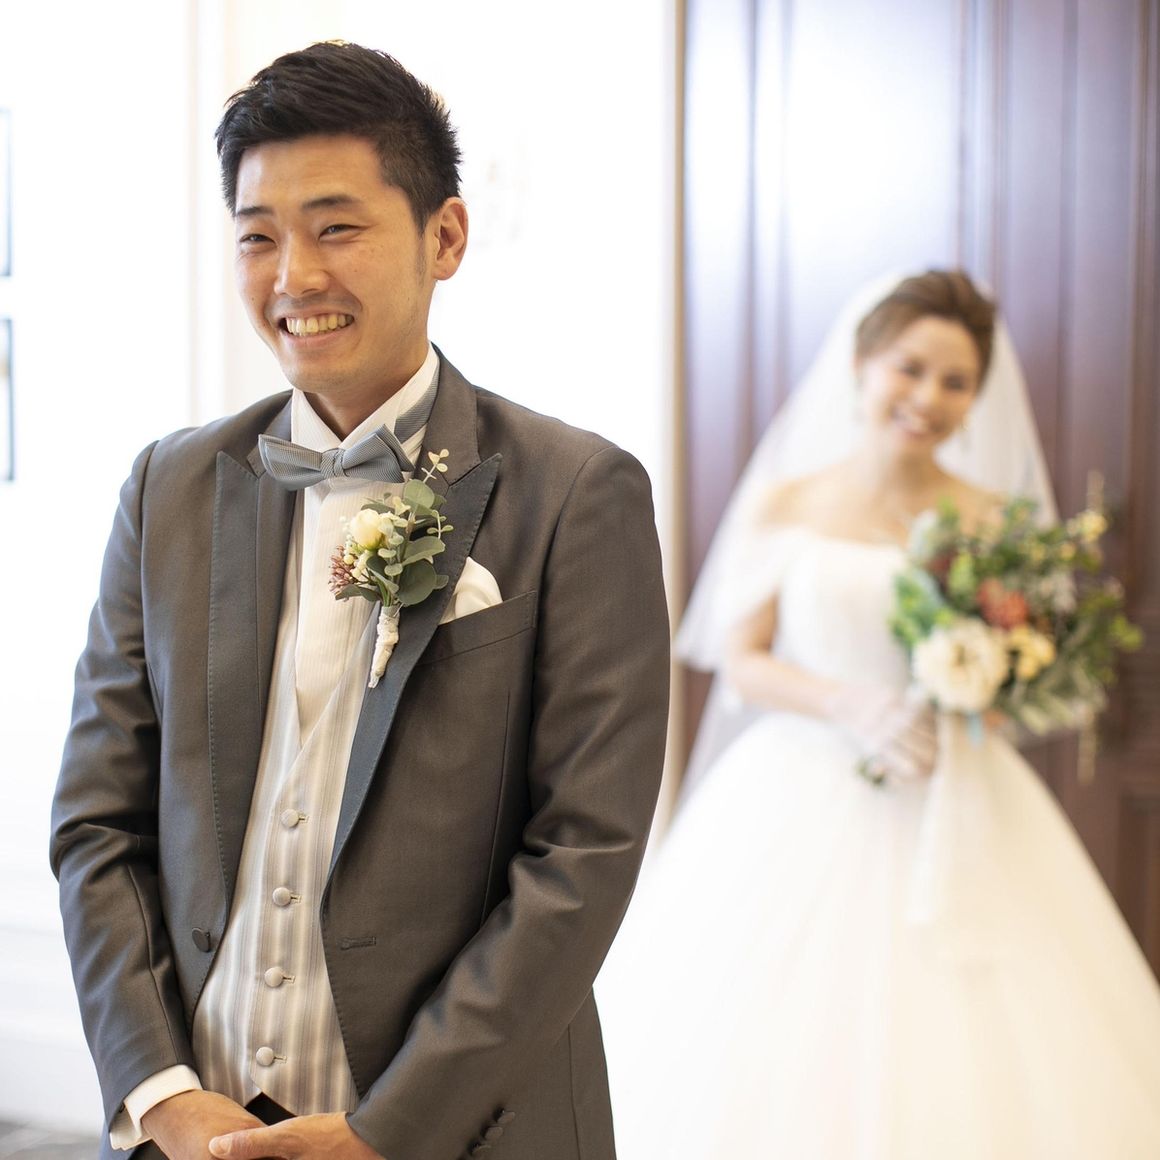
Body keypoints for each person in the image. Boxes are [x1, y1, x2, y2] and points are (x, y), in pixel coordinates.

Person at [51, 42, 669, 1160]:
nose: (293, 277)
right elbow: (99, 821)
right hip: (193, 1131)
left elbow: (583, 854)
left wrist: (394, 1126)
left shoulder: (578, 491)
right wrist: (160, 1092)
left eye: (336, 227)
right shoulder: (169, 486)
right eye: (257, 236)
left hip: (466, 1131)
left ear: (445, 237)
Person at [597, 270, 1160, 1158]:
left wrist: (984, 695)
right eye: (911, 369)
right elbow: (742, 658)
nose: (928, 398)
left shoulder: (994, 519)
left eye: (956, 382)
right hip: (801, 779)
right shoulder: (787, 501)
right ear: (862, 365)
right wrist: (849, 703)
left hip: (954, 785)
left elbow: (1026, 662)